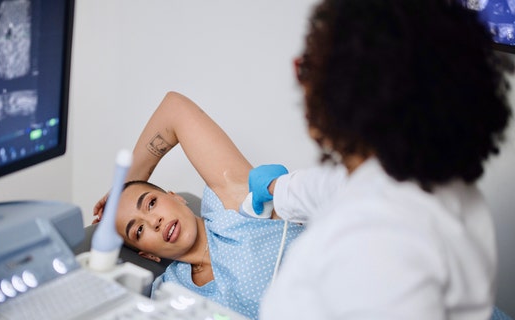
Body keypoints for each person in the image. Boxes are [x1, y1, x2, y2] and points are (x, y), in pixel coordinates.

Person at [249, 0, 513, 319]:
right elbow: (331, 187)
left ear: (345, 92)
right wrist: (277, 188)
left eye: (307, 68)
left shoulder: (380, 244)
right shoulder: (433, 182)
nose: (301, 84)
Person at [92, 91, 305, 320]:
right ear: (148, 255)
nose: (154, 222)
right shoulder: (169, 292)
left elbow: (174, 109)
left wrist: (122, 186)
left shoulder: (230, 205)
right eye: (139, 230)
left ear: (176, 197)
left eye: (152, 203)